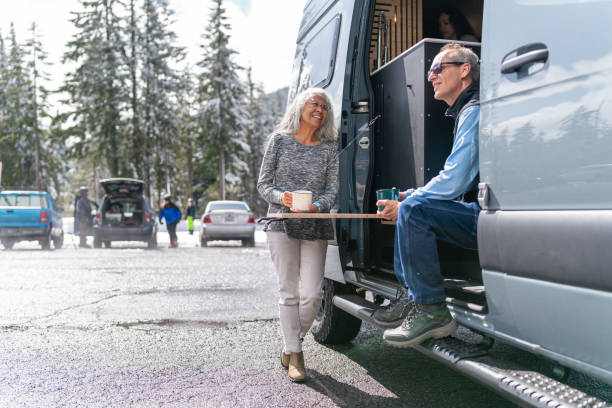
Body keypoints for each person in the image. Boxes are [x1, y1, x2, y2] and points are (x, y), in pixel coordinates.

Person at [372, 43, 480, 347]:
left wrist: (409, 200)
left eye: (437, 69)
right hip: (478, 211)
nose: (430, 77)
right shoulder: (467, 110)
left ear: (464, 70)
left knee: (413, 211)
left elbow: (455, 180)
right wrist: (411, 196)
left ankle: (431, 309)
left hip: (487, 215)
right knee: (413, 206)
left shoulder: (475, 110)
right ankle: (411, 299)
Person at [257, 87, 339, 382]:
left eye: (325, 107)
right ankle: (296, 354)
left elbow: (332, 190)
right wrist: (284, 198)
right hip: (281, 223)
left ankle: (291, 343)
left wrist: (318, 205)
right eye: (314, 103)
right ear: (300, 107)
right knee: (288, 292)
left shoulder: (329, 147)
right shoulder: (278, 140)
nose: (320, 109)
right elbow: (263, 185)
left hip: (315, 224)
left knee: (312, 296)